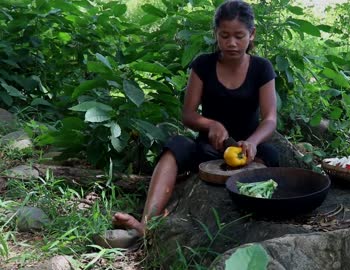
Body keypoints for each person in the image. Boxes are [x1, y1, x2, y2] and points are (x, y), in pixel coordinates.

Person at [112, 0, 279, 237]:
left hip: (247, 153)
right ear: (215, 35)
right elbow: (188, 115)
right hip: (208, 151)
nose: (232, 43)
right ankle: (147, 223)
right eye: (225, 35)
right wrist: (210, 124)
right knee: (176, 145)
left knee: (271, 155)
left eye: (239, 36)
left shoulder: (262, 68)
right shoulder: (203, 65)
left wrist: (252, 141)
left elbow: (270, 118)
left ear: (252, 35)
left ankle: (248, 223)